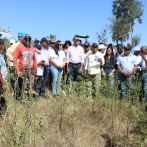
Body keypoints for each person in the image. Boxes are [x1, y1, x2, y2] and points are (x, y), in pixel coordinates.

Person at [13, 34, 37, 100]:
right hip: (22, 69)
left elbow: (34, 59)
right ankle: (21, 99)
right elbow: (14, 59)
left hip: (31, 69)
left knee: (30, 85)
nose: (28, 41)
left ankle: (29, 99)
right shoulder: (19, 47)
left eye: (29, 39)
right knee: (22, 85)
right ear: (23, 40)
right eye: (26, 39)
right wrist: (18, 70)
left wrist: (35, 69)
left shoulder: (32, 48)